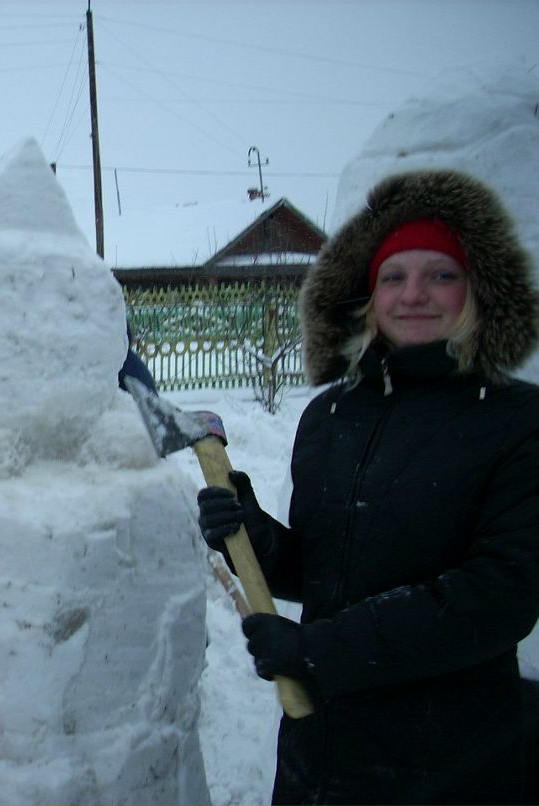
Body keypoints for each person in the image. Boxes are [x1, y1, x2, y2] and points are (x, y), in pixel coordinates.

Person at [196, 169, 539, 805]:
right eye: (393, 276)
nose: (414, 294)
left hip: (449, 760)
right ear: (367, 293)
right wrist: (256, 535)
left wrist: (318, 649)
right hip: (319, 750)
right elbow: (323, 569)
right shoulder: (330, 417)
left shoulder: (518, 422)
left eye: (441, 274)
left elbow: (500, 597)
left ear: (478, 291)